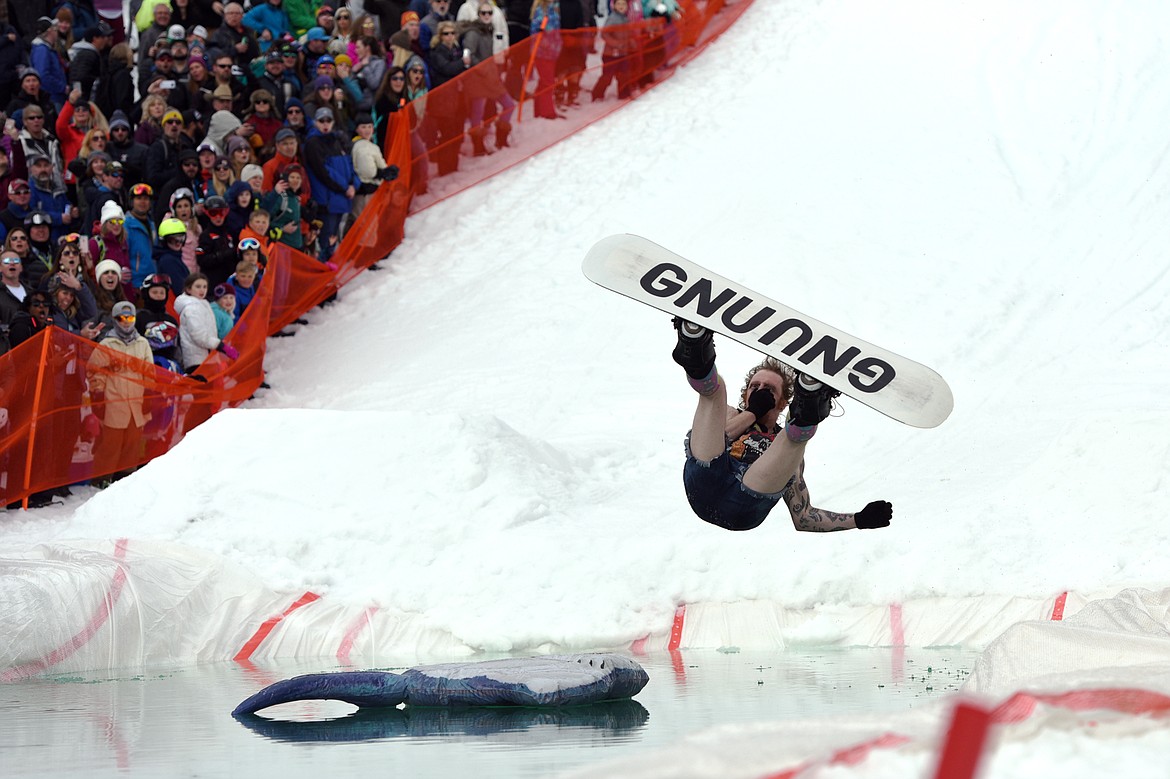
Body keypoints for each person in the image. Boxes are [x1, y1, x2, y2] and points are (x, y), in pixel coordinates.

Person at [671, 319, 893, 533]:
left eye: (768, 389)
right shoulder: (730, 413)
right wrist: (752, 412)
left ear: (782, 402)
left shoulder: (787, 451)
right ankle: (695, 347)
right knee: (715, 392)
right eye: (754, 386)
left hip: (744, 507)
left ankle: (809, 403)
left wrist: (859, 520)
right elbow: (721, 438)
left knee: (793, 440)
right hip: (704, 483)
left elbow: (803, 516)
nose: (759, 390)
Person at [87, 300, 154, 483]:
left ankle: (125, 481)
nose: (126, 321)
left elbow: (149, 372)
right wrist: (98, 395)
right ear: (115, 320)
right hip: (114, 401)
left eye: (130, 317)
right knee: (111, 444)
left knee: (132, 443)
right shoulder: (108, 344)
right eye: (122, 318)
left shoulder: (142, 344)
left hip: (136, 402)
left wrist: (148, 393)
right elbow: (95, 372)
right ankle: (102, 479)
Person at [302, 106, 358, 261]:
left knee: (333, 241)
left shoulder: (336, 140)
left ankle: (331, 274)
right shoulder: (313, 143)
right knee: (325, 242)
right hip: (327, 202)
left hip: (340, 200)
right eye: (321, 121)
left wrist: (354, 184)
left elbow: (349, 165)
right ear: (315, 122)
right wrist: (345, 187)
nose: (325, 124)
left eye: (328, 120)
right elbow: (323, 172)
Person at [462, 3, 517, 153]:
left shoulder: (488, 30)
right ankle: (478, 147)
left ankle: (501, 138)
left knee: (509, 105)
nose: (486, 16)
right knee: (477, 113)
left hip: (490, 75)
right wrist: (483, 68)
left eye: (489, 13)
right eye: (483, 13)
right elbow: (468, 54)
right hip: (479, 78)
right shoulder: (473, 33)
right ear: (478, 15)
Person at [175, 271, 236, 372]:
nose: (202, 290)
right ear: (188, 289)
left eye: (204, 287)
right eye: (198, 286)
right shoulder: (191, 309)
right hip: (196, 360)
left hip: (206, 357)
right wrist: (220, 345)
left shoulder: (203, 304)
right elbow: (199, 336)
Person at [592, 0, 637, 101]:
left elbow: (629, 33)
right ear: (614, 6)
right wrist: (616, 44)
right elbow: (604, 34)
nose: (621, 6)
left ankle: (624, 93)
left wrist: (631, 42)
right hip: (610, 54)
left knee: (623, 74)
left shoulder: (625, 19)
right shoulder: (612, 18)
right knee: (607, 76)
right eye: (619, 4)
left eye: (623, 4)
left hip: (622, 53)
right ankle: (597, 94)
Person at [124, 183, 158, 289]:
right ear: (132, 201)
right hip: (136, 283)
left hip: (153, 280)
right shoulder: (126, 225)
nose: (143, 202)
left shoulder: (151, 224)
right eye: (138, 198)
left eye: (146, 199)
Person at [154, 217, 191, 295]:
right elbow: (180, 289)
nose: (178, 243)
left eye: (181, 239)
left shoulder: (174, 257)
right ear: (164, 240)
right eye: (173, 240)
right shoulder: (168, 260)